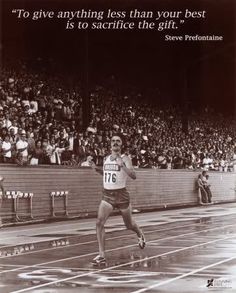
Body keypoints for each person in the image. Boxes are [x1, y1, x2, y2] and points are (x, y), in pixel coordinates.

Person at [91, 134, 145, 266]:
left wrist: (123, 166)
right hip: (107, 195)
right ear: (110, 144)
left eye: (118, 141)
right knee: (99, 222)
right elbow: (108, 174)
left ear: (121, 144)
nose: (115, 143)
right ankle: (102, 255)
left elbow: (133, 175)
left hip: (121, 195)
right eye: (113, 141)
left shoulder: (125, 158)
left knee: (129, 225)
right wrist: (95, 169)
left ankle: (140, 234)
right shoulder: (106, 158)